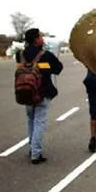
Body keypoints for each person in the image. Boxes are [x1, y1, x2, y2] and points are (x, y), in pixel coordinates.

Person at [15, 28, 63, 165]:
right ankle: (36, 154)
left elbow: (19, 68)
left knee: (30, 121)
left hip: (25, 92)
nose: (43, 38)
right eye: (41, 36)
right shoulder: (45, 55)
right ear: (36, 39)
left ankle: (32, 148)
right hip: (42, 93)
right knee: (39, 122)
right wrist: (48, 64)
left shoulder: (20, 54)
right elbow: (58, 69)